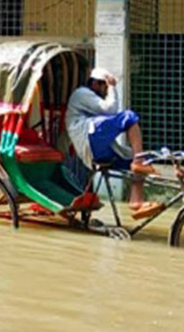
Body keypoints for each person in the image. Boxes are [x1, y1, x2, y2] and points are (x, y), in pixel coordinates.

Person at [66, 67, 162, 219]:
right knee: (129, 117)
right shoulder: (82, 94)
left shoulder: (91, 101)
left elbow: (108, 115)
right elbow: (110, 109)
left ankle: (136, 202)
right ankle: (139, 160)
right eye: (104, 87)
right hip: (89, 140)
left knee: (133, 161)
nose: (106, 91)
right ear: (96, 84)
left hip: (97, 146)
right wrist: (112, 87)